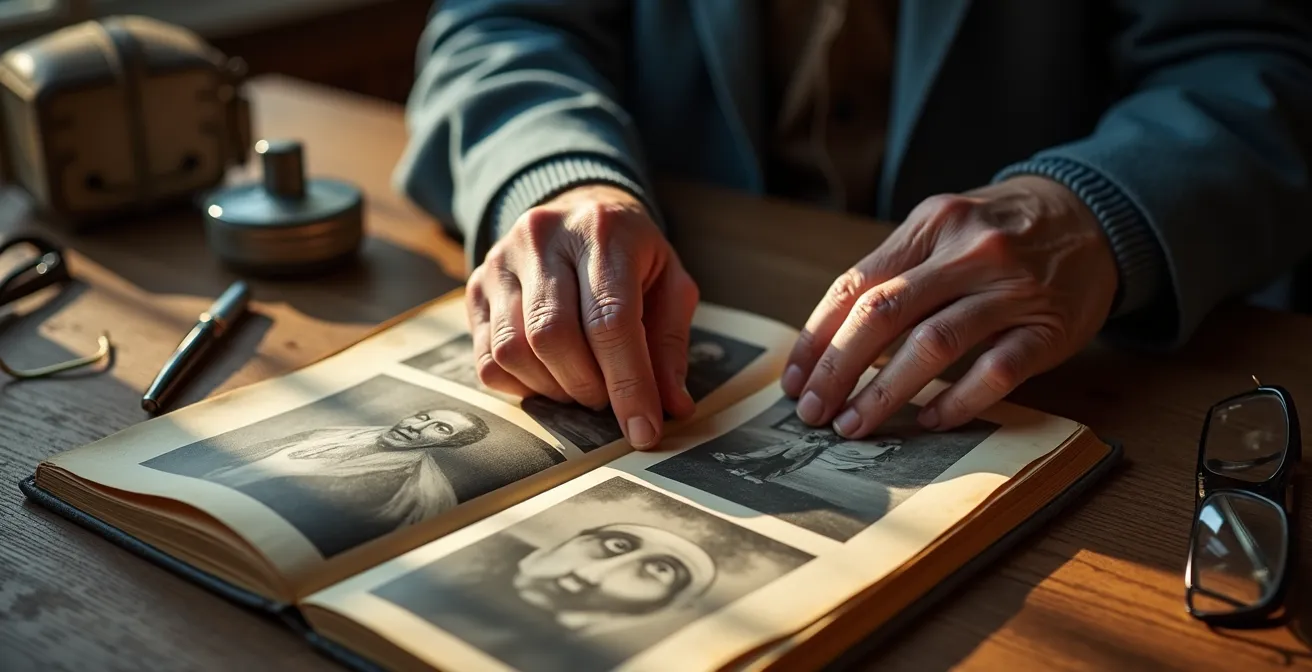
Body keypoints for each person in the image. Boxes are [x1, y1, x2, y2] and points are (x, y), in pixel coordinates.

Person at [394, 1, 1312, 450]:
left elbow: (1250, 60)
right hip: (705, 280)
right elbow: (502, 23)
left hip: (1078, 365)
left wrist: (1095, 211)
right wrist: (558, 174)